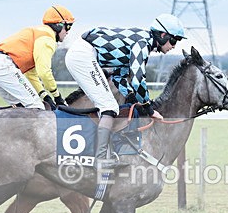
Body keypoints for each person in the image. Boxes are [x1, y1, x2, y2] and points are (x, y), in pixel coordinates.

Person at [65, 13, 184, 171]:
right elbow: (137, 78)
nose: (174, 46)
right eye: (174, 40)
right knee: (109, 107)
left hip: (84, 53)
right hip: (83, 56)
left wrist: (133, 98)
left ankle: (100, 150)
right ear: (163, 35)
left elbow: (119, 77)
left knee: (108, 105)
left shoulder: (141, 41)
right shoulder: (143, 43)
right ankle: (100, 159)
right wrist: (148, 108)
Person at [0, 5, 74, 110]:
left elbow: (30, 74)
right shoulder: (47, 38)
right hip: (5, 67)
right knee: (37, 107)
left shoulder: (39, 32)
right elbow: (44, 72)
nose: (68, 32)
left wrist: (44, 95)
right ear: (58, 25)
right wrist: (57, 96)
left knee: (20, 108)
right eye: (68, 27)